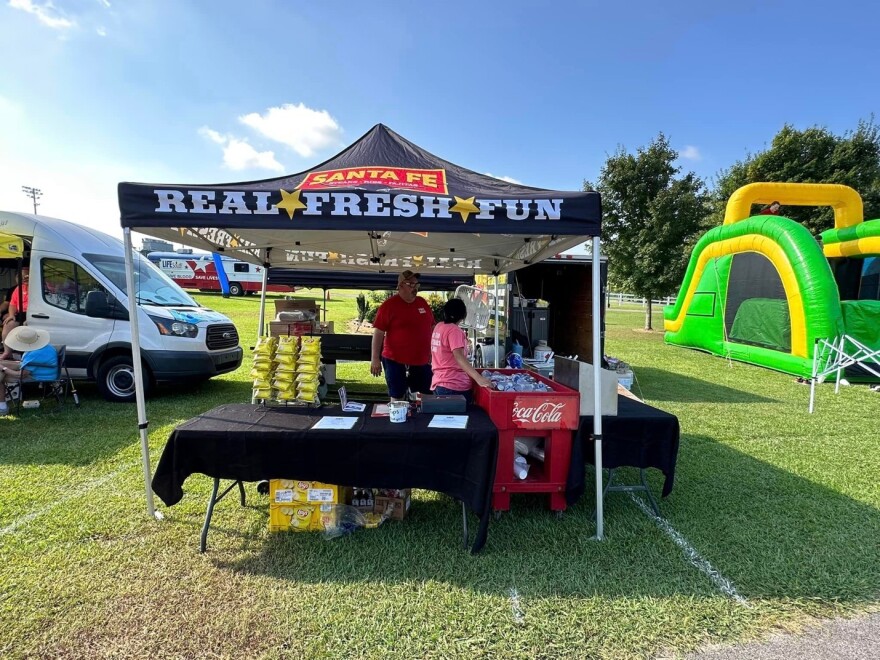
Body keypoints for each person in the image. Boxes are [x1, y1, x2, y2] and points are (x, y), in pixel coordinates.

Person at [370, 270, 434, 401]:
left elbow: (432, 327)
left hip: (422, 358)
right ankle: (397, 418)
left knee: (426, 393)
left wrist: (434, 352)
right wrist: (374, 359)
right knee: (397, 395)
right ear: (400, 286)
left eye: (417, 284)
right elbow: (378, 333)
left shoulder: (422, 303)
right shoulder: (389, 306)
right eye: (410, 284)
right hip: (395, 359)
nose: (415, 288)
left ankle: (423, 420)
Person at [430, 298, 492, 402]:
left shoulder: (439, 327)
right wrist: (479, 379)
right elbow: (459, 357)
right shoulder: (454, 330)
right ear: (463, 315)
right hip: (454, 385)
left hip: (439, 383)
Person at [0, 326, 57, 415]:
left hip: (40, 375)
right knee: (2, 365)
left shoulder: (34, 354)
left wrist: (3, 368)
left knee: (1, 376)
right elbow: (25, 363)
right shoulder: (46, 346)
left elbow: (21, 375)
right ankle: (2, 406)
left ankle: (2, 408)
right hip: (43, 369)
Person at [1, 267, 29, 360]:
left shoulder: (37, 286)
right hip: (20, 312)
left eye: (26, 275)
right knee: (8, 323)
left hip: (33, 312)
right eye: (22, 276)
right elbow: (12, 304)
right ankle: (7, 352)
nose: (24, 278)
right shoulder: (17, 289)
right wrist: (11, 315)